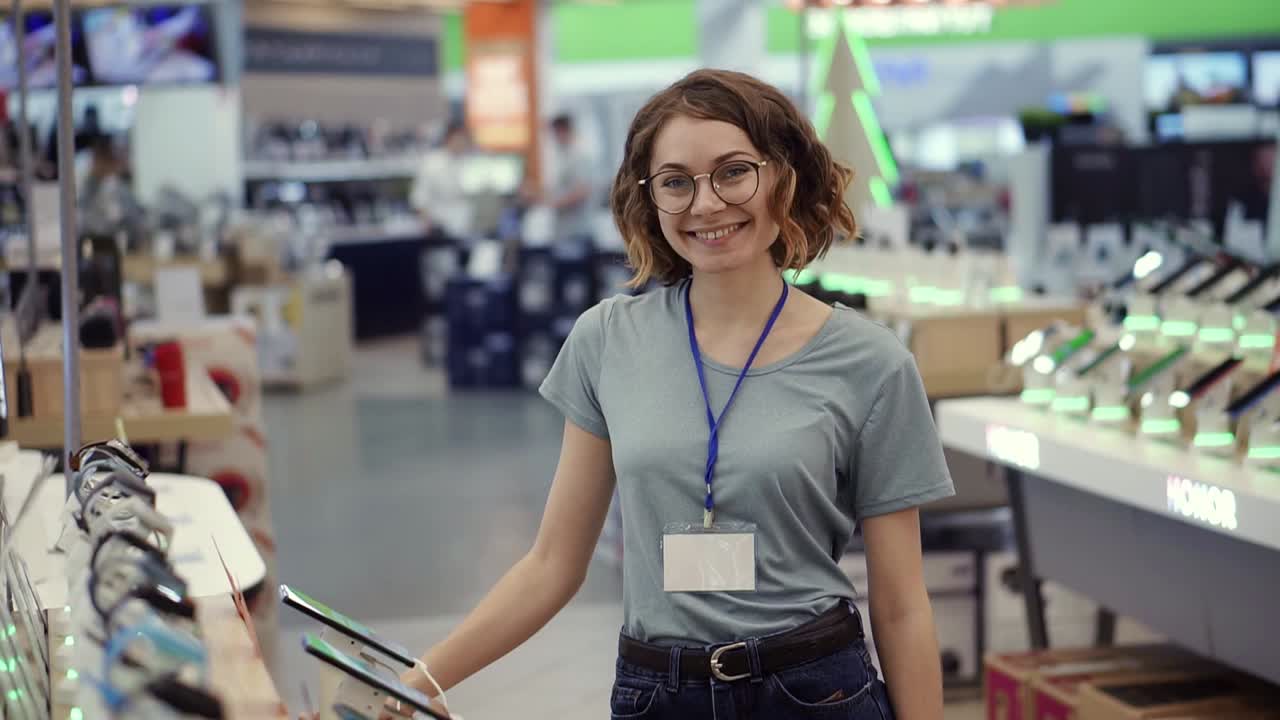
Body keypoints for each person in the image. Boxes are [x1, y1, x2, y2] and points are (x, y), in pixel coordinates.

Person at [385, 69, 954, 720]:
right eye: (677, 182)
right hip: (659, 694)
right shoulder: (608, 340)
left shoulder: (871, 363)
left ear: (783, 179)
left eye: (733, 171)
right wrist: (420, 679)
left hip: (814, 690)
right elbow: (551, 564)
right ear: (650, 198)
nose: (706, 204)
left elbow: (902, 604)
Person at [411, 119, 475, 245]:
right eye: (458, 139)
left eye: (464, 140)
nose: (461, 143)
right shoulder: (432, 162)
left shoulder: (470, 162)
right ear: (448, 139)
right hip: (439, 229)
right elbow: (419, 198)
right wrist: (426, 224)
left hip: (466, 228)